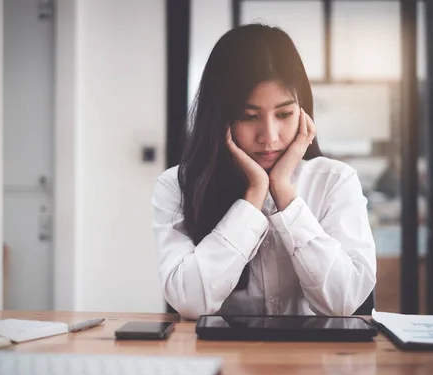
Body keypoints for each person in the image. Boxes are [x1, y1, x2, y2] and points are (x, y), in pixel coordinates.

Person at [152, 24, 376, 320]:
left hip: (315, 362)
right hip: (223, 362)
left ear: (303, 112)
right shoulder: (176, 185)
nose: (269, 136)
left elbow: (343, 302)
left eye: (284, 114)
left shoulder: (335, 181)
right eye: (249, 116)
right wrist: (253, 198)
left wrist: (283, 191)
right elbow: (191, 302)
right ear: (219, 117)